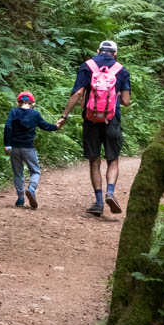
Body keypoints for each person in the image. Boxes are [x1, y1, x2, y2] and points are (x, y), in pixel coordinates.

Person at [57, 39, 131, 218]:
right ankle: (110, 192)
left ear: (98, 50)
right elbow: (126, 102)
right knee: (113, 160)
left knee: (94, 160)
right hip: (112, 120)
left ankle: (98, 202)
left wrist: (64, 116)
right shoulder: (121, 70)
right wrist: (117, 95)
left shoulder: (87, 66)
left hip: (91, 120)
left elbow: (77, 93)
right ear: (115, 53)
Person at [4, 90, 59, 209]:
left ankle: (20, 198)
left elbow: (8, 127)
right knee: (35, 171)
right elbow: (45, 126)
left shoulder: (13, 112)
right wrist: (56, 126)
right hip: (28, 148)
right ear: (32, 103)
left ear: (18, 102)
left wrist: (7, 144)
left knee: (18, 173)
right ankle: (31, 189)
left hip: (14, 148)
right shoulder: (35, 114)